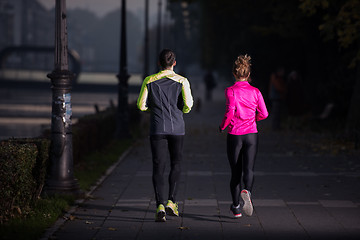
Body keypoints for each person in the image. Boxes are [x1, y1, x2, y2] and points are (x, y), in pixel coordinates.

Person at [137, 49, 194, 222]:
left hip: (157, 128)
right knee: (176, 163)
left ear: (159, 63)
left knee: (158, 167)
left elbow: (141, 106)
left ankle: (159, 205)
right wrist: (180, 112)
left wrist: (152, 110)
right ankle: (172, 201)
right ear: (174, 63)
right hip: (177, 128)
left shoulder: (149, 80)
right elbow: (188, 105)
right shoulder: (182, 81)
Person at [219, 54, 268, 218]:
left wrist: (222, 126)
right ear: (248, 74)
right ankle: (248, 191)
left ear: (234, 73)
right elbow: (264, 113)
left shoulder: (230, 91)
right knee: (249, 169)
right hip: (252, 134)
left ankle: (236, 207)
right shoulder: (256, 91)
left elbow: (229, 113)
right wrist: (253, 119)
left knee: (235, 172)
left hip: (235, 134)